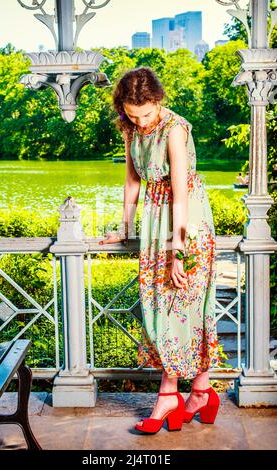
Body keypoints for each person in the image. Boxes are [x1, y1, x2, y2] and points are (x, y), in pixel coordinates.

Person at [99, 67, 221, 434]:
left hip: (185, 225)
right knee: (163, 306)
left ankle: (169, 396)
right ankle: (201, 392)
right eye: (133, 115)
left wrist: (178, 250)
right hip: (155, 222)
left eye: (147, 114)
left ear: (158, 102)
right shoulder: (131, 127)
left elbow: (181, 192)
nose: (142, 122)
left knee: (179, 306)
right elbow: (133, 179)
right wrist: (124, 227)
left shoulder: (175, 129)